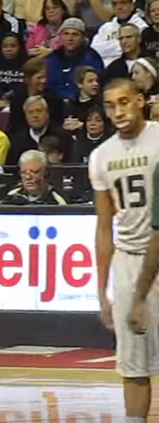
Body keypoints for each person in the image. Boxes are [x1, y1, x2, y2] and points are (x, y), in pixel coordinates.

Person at [89, 78, 159, 423]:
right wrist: (102, 290)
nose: (118, 111)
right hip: (129, 261)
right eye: (110, 105)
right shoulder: (101, 156)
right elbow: (104, 226)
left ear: (141, 101)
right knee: (133, 367)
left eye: (124, 102)